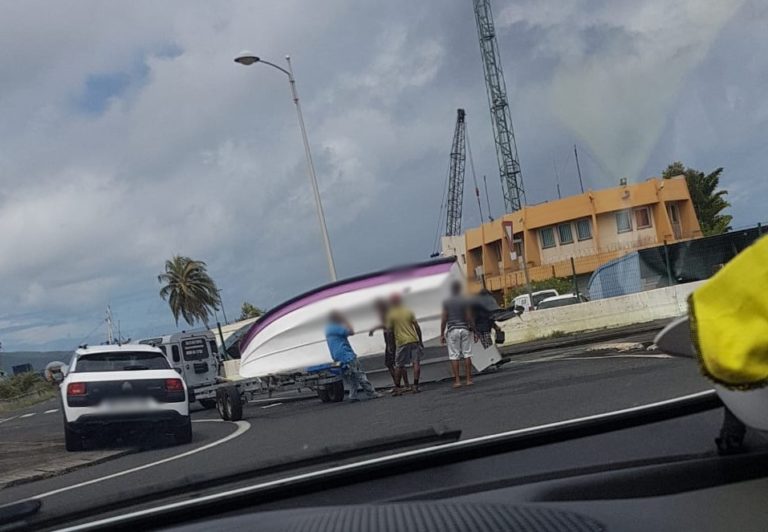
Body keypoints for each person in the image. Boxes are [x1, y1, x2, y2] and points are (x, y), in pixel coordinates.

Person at [325, 311, 380, 402]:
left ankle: (352, 396)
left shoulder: (328, 329)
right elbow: (351, 332)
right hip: (347, 355)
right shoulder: (336, 327)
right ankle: (371, 393)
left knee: (351, 377)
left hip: (337, 357)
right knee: (359, 374)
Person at [386, 293, 424, 394]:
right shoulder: (408, 311)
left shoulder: (391, 314)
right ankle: (415, 385)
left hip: (402, 342)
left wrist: (390, 345)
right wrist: (420, 340)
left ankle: (398, 388)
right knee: (416, 363)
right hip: (413, 339)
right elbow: (417, 327)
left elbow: (389, 331)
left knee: (399, 365)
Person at [369, 298, 409, 392]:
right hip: (396, 341)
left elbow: (389, 330)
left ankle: (399, 385)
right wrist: (373, 329)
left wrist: (390, 345)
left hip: (392, 342)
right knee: (398, 364)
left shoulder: (385, 314)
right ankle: (402, 385)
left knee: (392, 364)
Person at [440, 281, 474, 388]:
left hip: (452, 330)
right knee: (467, 354)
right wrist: (475, 330)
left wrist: (441, 333)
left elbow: (444, 318)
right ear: (459, 289)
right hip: (464, 329)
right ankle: (469, 379)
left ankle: (458, 381)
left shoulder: (447, 301)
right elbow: (469, 317)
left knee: (454, 356)